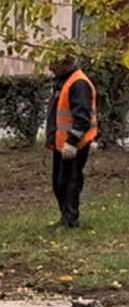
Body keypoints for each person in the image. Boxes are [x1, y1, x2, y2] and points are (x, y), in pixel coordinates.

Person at [45, 55, 98, 229]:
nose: (50, 67)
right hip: (62, 144)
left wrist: (72, 142)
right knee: (60, 183)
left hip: (74, 145)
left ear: (66, 63)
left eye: (54, 62)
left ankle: (70, 221)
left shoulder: (78, 84)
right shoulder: (63, 81)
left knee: (70, 183)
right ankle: (65, 218)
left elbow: (83, 117)